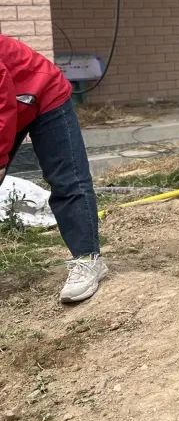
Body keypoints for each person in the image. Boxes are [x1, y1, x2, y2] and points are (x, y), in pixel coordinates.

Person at [0, 35, 106, 303]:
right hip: (11, 102)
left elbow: (2, 103)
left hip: (42, 92)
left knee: (68, 179)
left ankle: (87, 259)